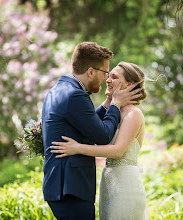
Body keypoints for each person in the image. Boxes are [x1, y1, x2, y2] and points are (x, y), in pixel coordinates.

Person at [41, 42, 143, 220]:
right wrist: (116, 104)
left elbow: (88, 124)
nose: (106, 79)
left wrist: (108, 104)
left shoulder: (58, 90)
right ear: (90, 71)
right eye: (105, 73)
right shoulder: (75, 95)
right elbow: (102, 136)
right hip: (71, 187)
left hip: (64, 187)